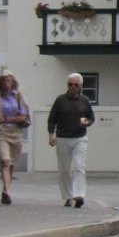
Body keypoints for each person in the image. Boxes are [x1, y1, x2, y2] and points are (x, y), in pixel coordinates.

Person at [47, 71, 94, 208]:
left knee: (79, 166)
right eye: (70, 84)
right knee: (64, 169)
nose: (73, 87)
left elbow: (91, 117)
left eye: (75, 85)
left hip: (80, 137)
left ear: (80, 86)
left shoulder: (84, 100)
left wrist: (87, 122)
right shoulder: (60, 100)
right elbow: (52, 119)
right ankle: (68, 196)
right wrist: (51, 134)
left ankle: (79, 195)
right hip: (63, 137)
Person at [0, 70, 30, 205]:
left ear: (12, 82)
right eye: (3, 81)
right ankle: (7, 191)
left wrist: (9, 118)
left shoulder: (18, 96)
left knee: (12, 163)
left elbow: (23, 116)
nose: (6, 84)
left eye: (8, 80)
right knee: (5, 161)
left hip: (16, 132)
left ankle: (5, 188)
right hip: (2, 132)